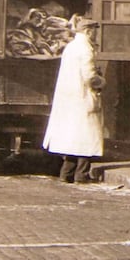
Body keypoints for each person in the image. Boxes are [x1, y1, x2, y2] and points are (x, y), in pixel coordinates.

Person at [43, 14, 105, 183]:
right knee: (87, 137)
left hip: (70, 99)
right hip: (83, 98)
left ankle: (66, 174)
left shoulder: (71, 47)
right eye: (93, 31)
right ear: (88, 31)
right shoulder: (85, 49)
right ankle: (81, 175)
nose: (95, 34)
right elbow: (90, 77)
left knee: (72, 138)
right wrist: (101, 82)